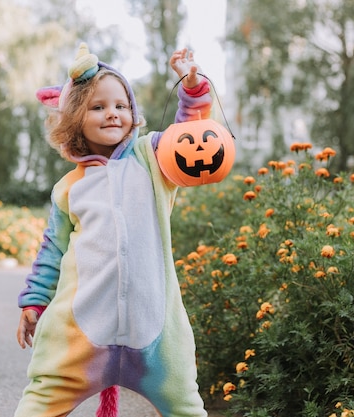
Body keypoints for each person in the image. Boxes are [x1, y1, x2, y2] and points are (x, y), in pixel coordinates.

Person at [14, 42, 213, 417]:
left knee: (186, 408)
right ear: (75, 117)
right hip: (79, 337)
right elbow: (52, 251)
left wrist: (191, 88)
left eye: (121, 105)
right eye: (98, 106)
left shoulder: (152, 160)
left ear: (133, 112)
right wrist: (34, 301)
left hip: (156, 337)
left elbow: (192, 139)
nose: (112, 114)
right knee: (38, 405)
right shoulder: (69, 187)